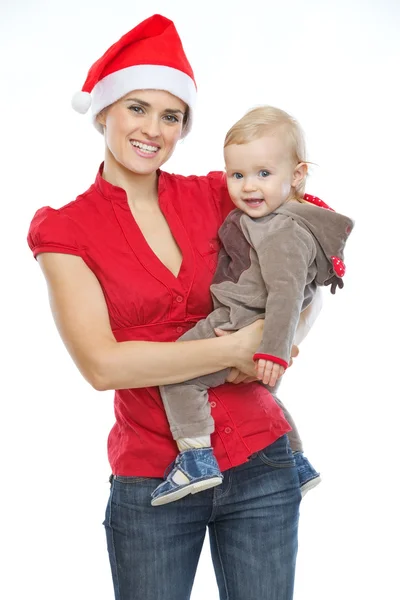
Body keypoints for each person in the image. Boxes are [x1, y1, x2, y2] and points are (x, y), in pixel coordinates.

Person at [27, 14, 336, 600]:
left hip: (262, 463)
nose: (153, 129)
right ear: (104, 112)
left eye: (172, 116)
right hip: (152, 481)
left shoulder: (218, 193)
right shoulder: (65, 229)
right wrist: (241, 347)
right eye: (137, 107)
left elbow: (309, 238)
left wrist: (286, 335)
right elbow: (102, 366)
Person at [153, 104, 354, 506]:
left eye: (264, 174)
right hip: (250, 325)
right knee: (262, 397)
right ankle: (296, 461)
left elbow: (287, 293)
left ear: (297, 175)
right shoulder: (274, 218)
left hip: (239, 321)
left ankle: (195, 459)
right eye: (237, 175)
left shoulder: (283, 229)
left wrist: (272, 352)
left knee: (176, 372)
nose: (248, 187)